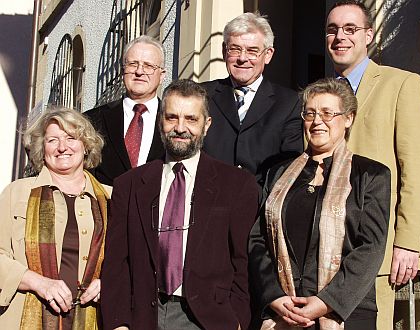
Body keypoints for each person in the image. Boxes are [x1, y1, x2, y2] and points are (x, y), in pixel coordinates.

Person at [100, 79, 259, 330]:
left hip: (209, 320)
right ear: (160, 121)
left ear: (206, 125)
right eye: (172, 117)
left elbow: (244, 262)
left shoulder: (237, 185)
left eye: (191, 119)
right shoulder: (128, 186)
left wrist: (237, 320)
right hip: (143, 317)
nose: (180, 128)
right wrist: (118, 322)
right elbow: (116, 263)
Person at [325, 1, 420, 328]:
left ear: (368, 35)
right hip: (325, 252)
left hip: (379, 251)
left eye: (350, 29)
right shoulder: (318, 94)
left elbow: (417, 169)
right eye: (332, 30)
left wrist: (408, 242)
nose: (340, 37)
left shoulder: (401, 84)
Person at [249, 78, 391, 329]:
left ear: (348, 118)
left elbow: (371, 247)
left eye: (327, 113)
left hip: (346, 311)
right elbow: (258, 239)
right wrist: (274, 295)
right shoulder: (277, 174)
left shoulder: (371, 175)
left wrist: (326, 302)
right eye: (310, 113)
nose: (317, 121)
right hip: (285, 310)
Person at [0, 107, 111, 329]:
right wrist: (38, 283)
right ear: (42, 148)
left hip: (93, 317)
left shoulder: (111, 198)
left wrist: (107, 282)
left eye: (71, 138)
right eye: (52, 140)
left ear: (86, 145)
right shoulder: (17, 192)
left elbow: (128, 261)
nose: (62, 147)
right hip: (24, 316)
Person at [202, 12, 303, 185]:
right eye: (235, 49)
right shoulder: (202, 95)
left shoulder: (290, 102)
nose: (242, 58)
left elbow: (290, 163)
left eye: (252, 51)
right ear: (224, 51)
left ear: (268, 54)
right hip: (207, 201)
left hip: (260, 204)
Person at [84, 35, 166, 186]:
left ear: (161, 75)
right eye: (133, 64)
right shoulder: (92, 120)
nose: (139, 72)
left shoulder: (173, 121)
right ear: (123, 71)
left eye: (148, 66)